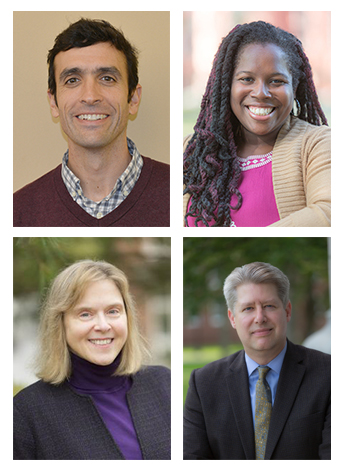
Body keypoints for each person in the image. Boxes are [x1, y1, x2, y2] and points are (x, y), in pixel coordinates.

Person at [14, 18, 169, 227]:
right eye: (72, 80)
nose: (90, 96)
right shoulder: (16, 212)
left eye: (107, 78)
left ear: (133, 98)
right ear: (54, 102)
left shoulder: (183, 195)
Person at [14, 260, 171, 460]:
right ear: (60, 323)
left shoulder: (164, 383)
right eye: (85, 314)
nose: (103, 325)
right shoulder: (25, 414)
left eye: (113, 311)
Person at [183, 21, 330, 227]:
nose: (261, 93)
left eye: (276, 81)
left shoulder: (318, 144)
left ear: (295, 88)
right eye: (247, 79)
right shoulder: (193, 149)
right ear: (227, 86)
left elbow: (329, 211)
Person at [183, 262, 330, 460]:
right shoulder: (204, 384)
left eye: (269, 306)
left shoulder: (329, 374)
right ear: (232, 318)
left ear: (287, 311)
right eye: (248, 308)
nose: (260, 318)